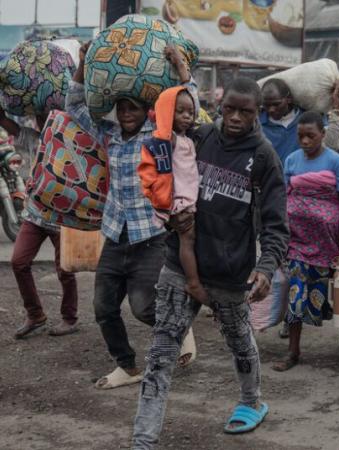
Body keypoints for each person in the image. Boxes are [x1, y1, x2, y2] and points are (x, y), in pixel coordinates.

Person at [132, 76, 289, 447]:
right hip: (179, 265)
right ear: (220, 106)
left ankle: (251, 400)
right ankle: (143, 438)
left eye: (245, 112)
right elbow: (163, 181)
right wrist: (169, 215)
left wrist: (266, 268)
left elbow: (276, 224)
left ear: (257, 114)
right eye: (230, 108)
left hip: (230, 275)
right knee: (161, 353)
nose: (235, 117)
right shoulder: (198, 138)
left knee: (238, 341)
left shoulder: (265, 157)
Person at [66, 42, 197, 389]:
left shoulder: (159, 136)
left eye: (133, 107)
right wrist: (82, 63)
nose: (126, 113)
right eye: (121, 107)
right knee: (103, 308)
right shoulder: (108, 135)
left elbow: (189, 104)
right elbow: (73, 104)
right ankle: (127, 366)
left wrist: (181, 67)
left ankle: (180, 326)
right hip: (115, 233)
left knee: (143, 308)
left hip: (150, 236)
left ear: (147, 109)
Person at [271, 111, 339, 372]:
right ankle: (293, 351)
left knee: (326, 285)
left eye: (311, 136)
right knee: (296, 288)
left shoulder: (335, 161)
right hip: (296, 238)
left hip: (326, 239)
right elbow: (285, 194)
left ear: (322, 134)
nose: (305, 141)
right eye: (301, 136)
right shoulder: (292, 160)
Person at [2, 112, 80, 339]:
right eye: (40, 115)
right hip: (36, 214)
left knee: (65, 270)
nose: (45, 118)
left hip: (63, 217)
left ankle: (69, 318)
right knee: (18, 261)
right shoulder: (35, 138)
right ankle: (35, 315)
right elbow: (8, 124)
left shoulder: (74, 140)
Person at [138, 86, 207, 305]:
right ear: (168, 112)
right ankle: (193, 282)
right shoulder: (170, 139)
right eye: (180, 112)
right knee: (188, 240)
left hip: (189, 196)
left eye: (190, 112)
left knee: (191, 241)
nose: (187, 117)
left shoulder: (186, 138)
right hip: (180, 200)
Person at [260, 78, 339, 163]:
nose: (271, 109)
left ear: (288, 99)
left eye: (276, 104)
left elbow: (332, 143)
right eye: (266, 105)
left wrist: (338, 102)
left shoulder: (311, 118)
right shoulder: (258, 125)